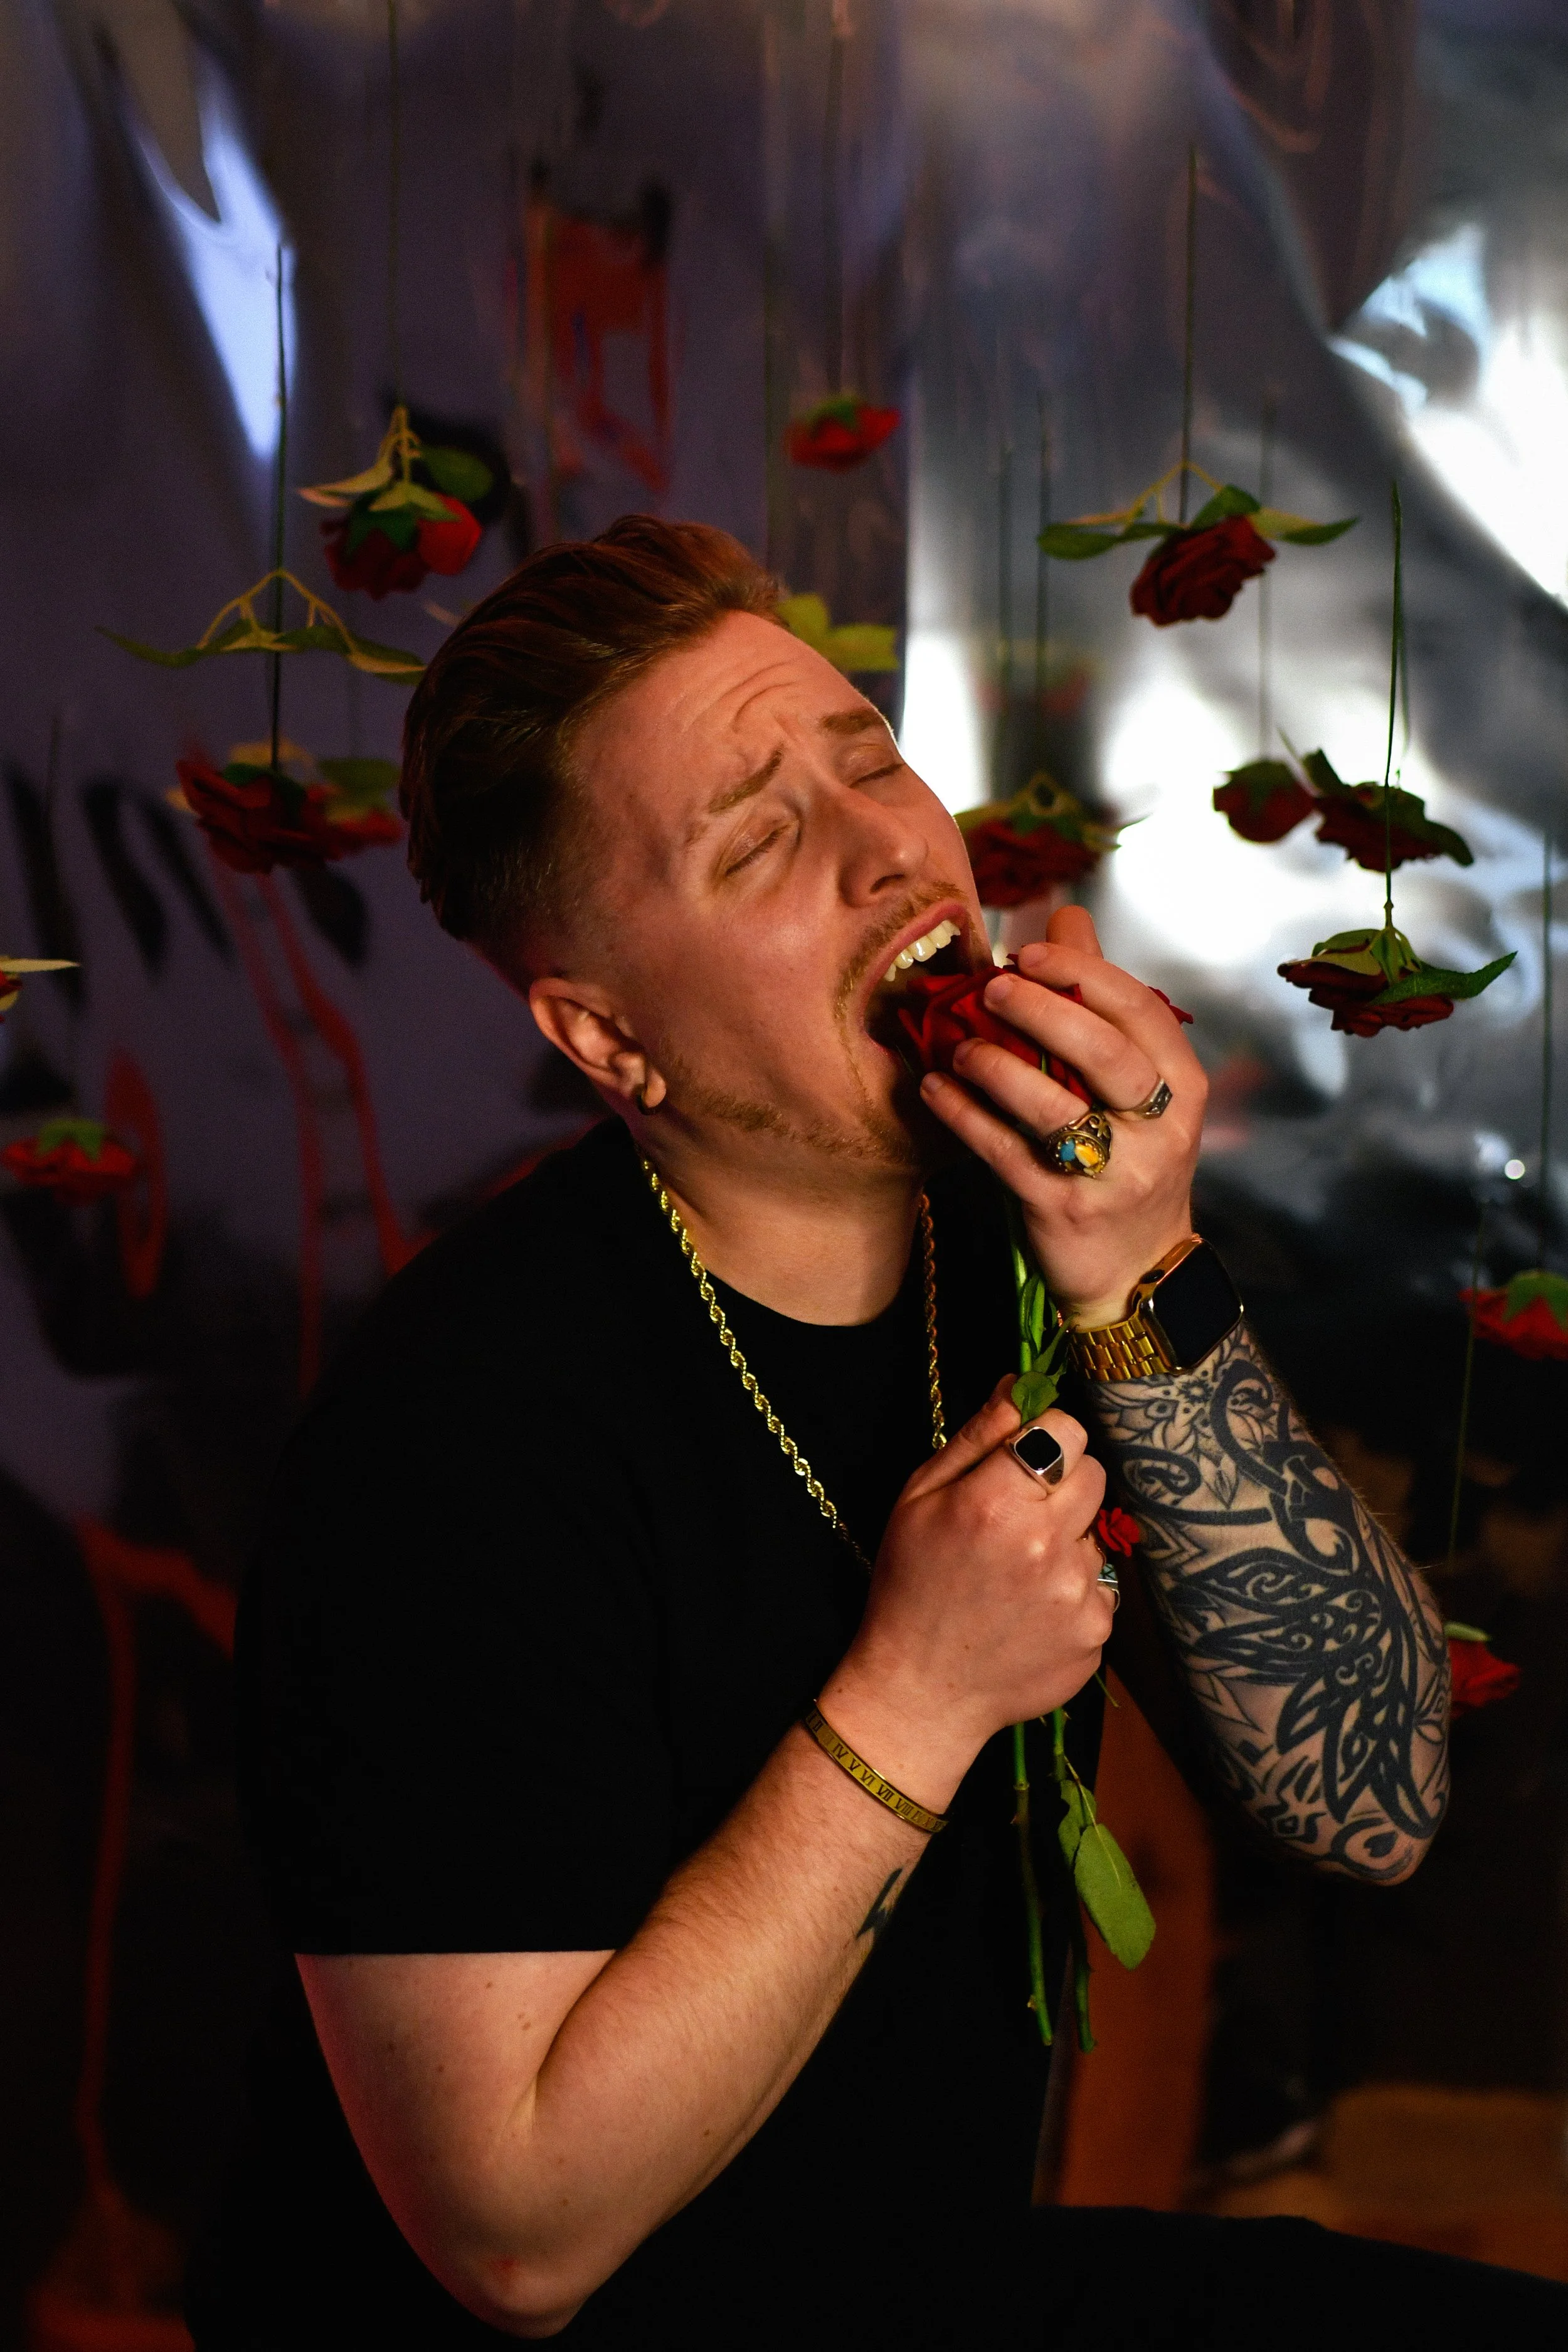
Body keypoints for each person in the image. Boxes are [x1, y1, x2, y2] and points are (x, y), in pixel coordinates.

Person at [193, 518, 1565, 2349]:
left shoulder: (1033, 1245)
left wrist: (1140, 1268)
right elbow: (515, 2239)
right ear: (608, 1040)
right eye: (757, 838)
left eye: (868, 761)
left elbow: (1373, 1793)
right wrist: (915, 1694)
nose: (881, 854)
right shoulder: (448, 1444)